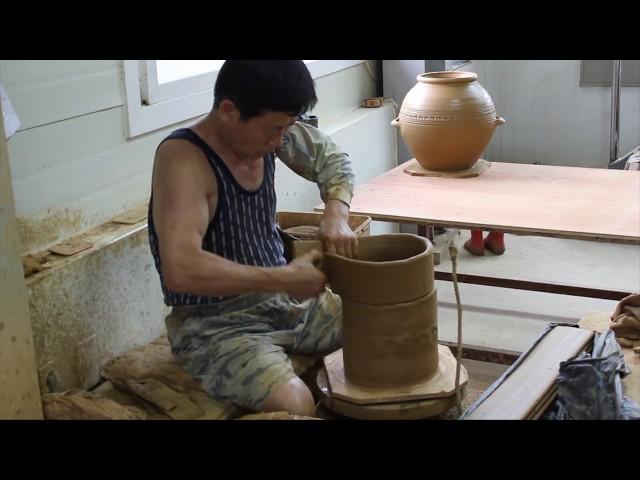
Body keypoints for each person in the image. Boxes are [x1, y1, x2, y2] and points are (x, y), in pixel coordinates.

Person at [147, 60, 357, 416]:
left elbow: (331, 158)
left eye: (286, 128)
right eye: (274, 129)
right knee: (294, 403)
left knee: (386, 322)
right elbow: (181, 268)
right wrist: (283, 278)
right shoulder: (183, 160)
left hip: (282, 307)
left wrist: (336, 214)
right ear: (229, 111)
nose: (280, 140)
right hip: (217, 327)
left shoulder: (270, 133)